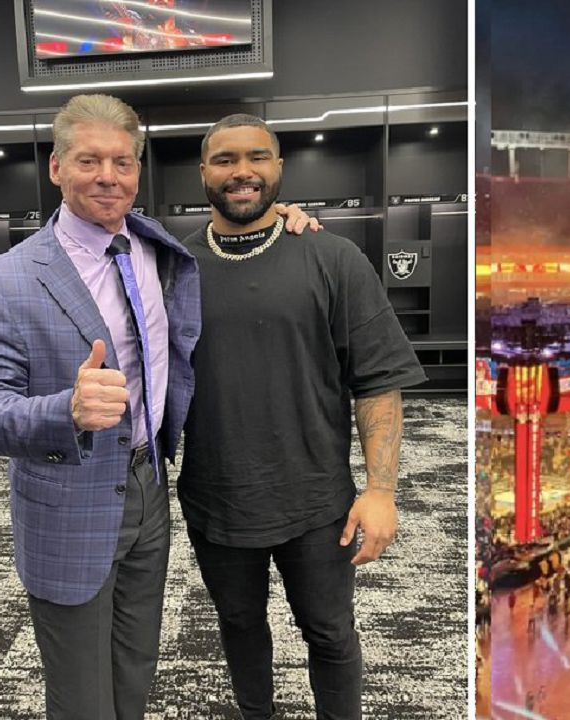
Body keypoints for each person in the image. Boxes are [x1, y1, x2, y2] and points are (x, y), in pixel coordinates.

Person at [0, 94, 315, 720]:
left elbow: (235, 238)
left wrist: (283, 218)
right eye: (89, 161)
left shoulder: (160, 251)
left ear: (138, 171)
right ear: (57, 168)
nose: (108, 177)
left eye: (122, 162)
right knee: (82, 696)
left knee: (136, 668)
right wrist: (64, 409)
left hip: (149, 486)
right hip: (67, 499)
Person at [179, 113, 426, 720]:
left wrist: (382, 489)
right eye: (225, 160)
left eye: (258, 158)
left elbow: (376, 381)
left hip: (317, 502)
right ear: (203, 172)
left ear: (280, 168)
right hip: (215, 497)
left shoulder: (333, 257)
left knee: (330, 633)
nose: (243, 172)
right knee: (238, 624)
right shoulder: (171, 267)